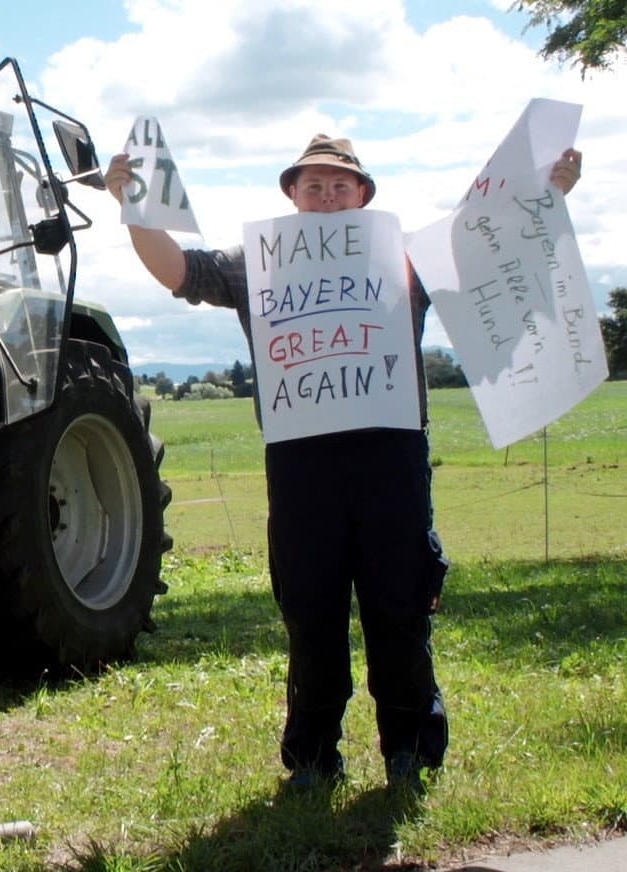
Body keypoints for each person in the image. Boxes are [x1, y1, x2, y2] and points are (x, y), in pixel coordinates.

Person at [104, 135, 583, 792]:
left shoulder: (406, 256)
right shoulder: (256, 262)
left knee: (401, 604)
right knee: (310, 610)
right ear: (293, 197)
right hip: (301, 463)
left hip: (392, 457)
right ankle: (313, 756)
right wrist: (133, 205)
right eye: (314, 186)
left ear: (362, 195)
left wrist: (547, 193)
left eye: (340, 185)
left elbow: (492, 251)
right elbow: (178, 270)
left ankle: (411, 750)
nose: (327, 196)